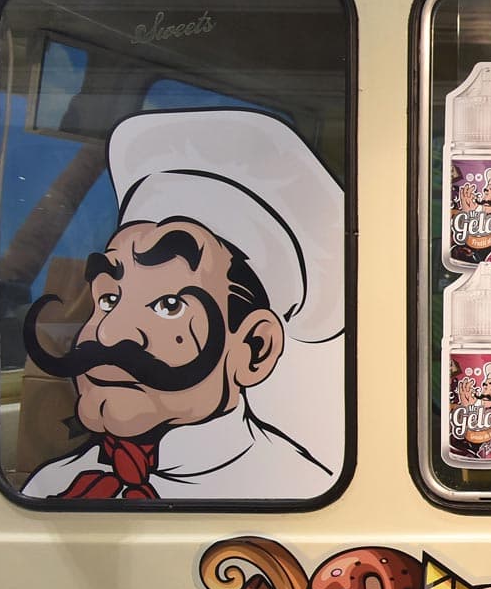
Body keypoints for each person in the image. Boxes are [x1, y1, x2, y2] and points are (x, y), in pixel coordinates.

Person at [21, 109, 344, 501]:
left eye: (168, 305)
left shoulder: (302, 493)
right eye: (109, 299)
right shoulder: (51, 486)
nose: (108, 332)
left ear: (255, 348)